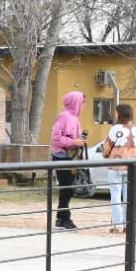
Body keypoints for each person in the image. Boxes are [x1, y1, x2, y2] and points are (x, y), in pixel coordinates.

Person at [49, 91, 87, 231]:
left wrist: (79, 141)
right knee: (66, 189)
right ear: (75, 103)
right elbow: (56, 138)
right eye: (81, 102)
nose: (83, 106)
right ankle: (63, 218)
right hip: (61, 156)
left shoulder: (75, 118)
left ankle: (62, 217)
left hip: (71, 157)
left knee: (69, 189)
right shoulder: (64, 117)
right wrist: (74, 141)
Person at [102, 103, 136, 234]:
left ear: (120, 114)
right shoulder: (135, 129)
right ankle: (128, 223)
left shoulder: (115, 129)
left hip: (116, 165)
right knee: (128, 197)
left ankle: (118, 224)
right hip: (131, 166)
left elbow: (107, 147)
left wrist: (105, 154)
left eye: (116, 112)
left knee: (115, 195)